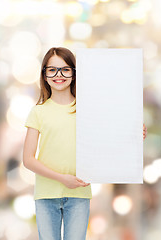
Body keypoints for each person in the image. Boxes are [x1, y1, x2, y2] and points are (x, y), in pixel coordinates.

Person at [23, 47, 147, 240]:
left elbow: (108, 138)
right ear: (44, 75)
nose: (59, 75)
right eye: (52, 70)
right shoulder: (38, 112)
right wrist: (62, 178)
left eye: (65, 69)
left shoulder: (88, 109)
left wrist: (133, 135)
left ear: (74, 73)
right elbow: (28, 160)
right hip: (46, 195)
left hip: (79, 194)